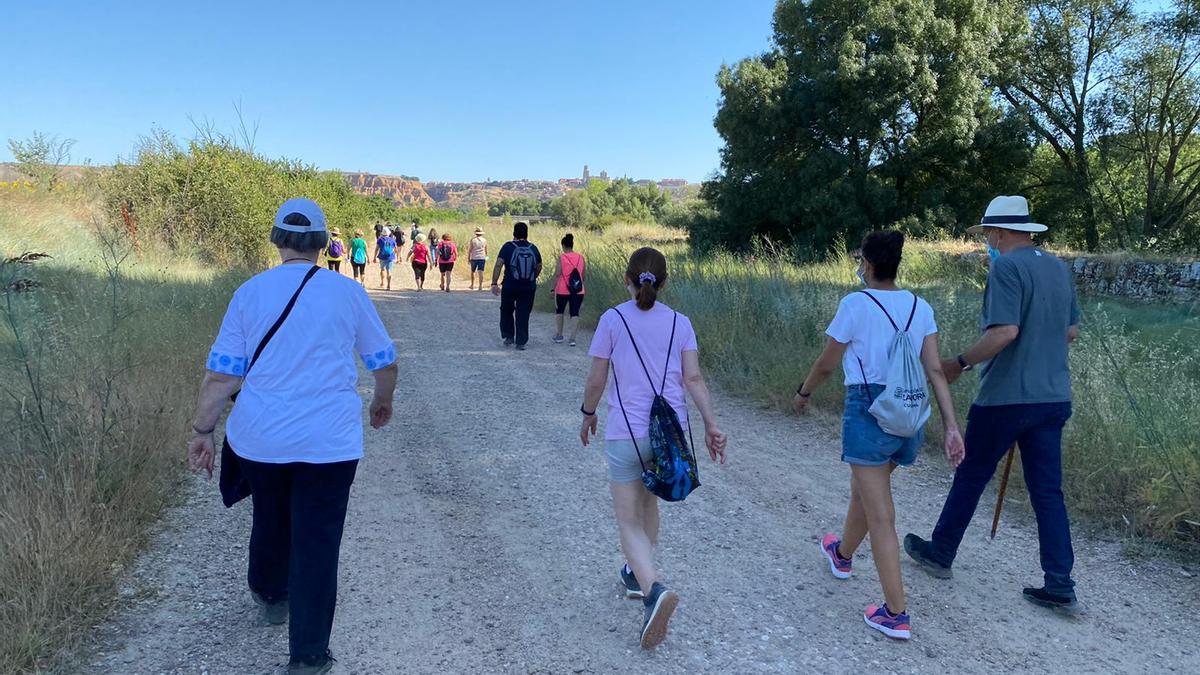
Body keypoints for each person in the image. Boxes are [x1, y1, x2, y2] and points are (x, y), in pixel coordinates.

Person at [186, 198, 398, 675]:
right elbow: (384, 361)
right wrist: (382, 401)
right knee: (318, 543)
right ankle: (307, 656)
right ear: (323, 244)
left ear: (278, 239)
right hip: (331, 444)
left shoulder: (249, 293)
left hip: (260, 441)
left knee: (270, 513)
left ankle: (271, 593)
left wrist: (202, 431)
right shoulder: (348, 294)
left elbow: (222, 376)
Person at [904, 195, 1083, 614]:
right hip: (1054, 395)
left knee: (970, 475)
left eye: (987, 233)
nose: (987, 240)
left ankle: (941, 552)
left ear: (999, 232)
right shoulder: (1058, 267)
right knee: (1047, 492)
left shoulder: (1006, 266)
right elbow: (1071, 331)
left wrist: (959, 363)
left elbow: (1004, 331)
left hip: (1006, 396)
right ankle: (1060, 583)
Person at [792, 231, 964, 641]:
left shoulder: (855, 304)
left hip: (869, 412)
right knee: (864, 493)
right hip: (908, 415)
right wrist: (952, 426)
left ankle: (895, 613)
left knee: (882, 514)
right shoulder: (920, 307)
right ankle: (842, 554)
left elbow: (827, 364)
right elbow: (936, 370)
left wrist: (803, 393)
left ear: (867, 263)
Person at [578, 246, 728, 650]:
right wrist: (712, 424)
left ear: (628, 279)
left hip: (625, 433)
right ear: (664, 283)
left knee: (628, 519)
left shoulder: (612, 319)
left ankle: (652, 589)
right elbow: (693, 379)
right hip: (668, 435)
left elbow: (596, 379)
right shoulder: (681, 322)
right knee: (650, 505)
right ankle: (636, 572)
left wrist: (588, 412)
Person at [491, 222, 542, 350]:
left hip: (510, 285)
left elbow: (498, 264)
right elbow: (539, 266)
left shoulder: (508, 247)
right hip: (528, 287)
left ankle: (509, 336)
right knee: (523, 313)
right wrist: (532, 278)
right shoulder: (533, 248)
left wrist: (494, 283)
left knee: (507, 310)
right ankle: (521, 342)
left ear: (514, 233)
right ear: (527, 233)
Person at [552, 233, 586, 346]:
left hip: (562, 289)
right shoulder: (581, 258)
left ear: (563, 245)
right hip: (578, 289)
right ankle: (572, 338)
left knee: (560, 311)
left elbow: (557, 274)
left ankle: (559, 335)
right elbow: (583, 275)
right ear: (572, 245)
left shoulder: (562, 257)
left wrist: (553, 289)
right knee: (574, 312)